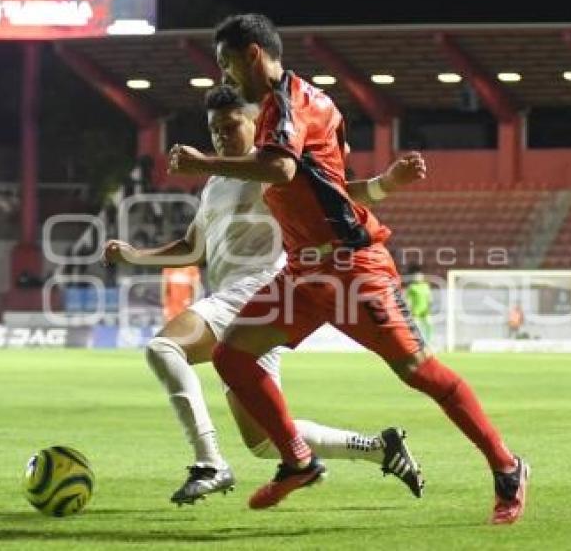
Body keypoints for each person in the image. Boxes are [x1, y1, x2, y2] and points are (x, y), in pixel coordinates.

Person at [168, 13, 528, 523]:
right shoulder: (281, 108)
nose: (226, 76)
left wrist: (201, 163)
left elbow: (281, 168)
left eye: (228, 64)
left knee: (419, 373)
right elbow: (327, 186)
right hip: (302, 273)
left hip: (352, 268)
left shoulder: (293, 104)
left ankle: (507, 466)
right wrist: (383, 183)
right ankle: (297, 460)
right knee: (232, 357)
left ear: (253, 56)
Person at [104, 85, 426, 505]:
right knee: (266, 442)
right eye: (214, 128)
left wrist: (386, 184)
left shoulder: (271, 169)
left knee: (164, 347)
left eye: (230, 124)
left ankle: (209, 463)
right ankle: (380, 448)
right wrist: (135, 255)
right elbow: (192, 247)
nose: (221, 134)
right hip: (249, 310)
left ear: (255, 123)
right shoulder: (216, 183)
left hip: (259, 290)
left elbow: (337, 194)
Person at [404, 264, 432, 342]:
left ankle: (429, 342)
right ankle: (418, 342)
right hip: (415, 310)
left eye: (420, 276)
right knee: (417, 327)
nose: (418, 277)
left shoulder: (426, 286)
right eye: (416, 276)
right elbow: (408, 299)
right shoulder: (412, 287)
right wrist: (409, 308)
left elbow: (429, 298)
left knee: (429, 325)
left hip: (425, 310)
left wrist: (429, 306)